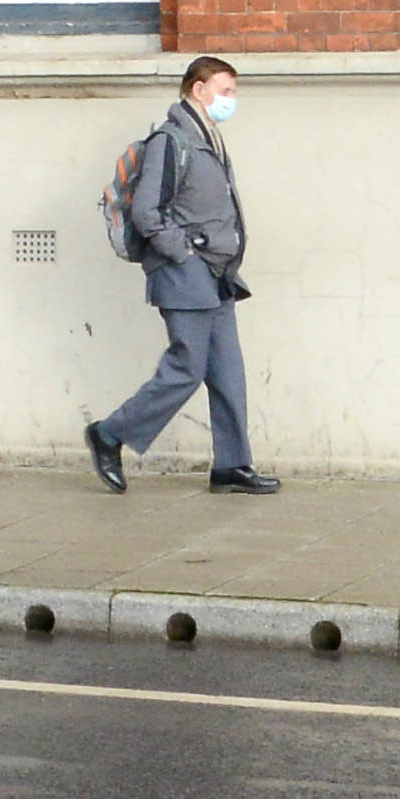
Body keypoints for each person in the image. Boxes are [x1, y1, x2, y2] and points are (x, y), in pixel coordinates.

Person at [85, 51, 275, 492]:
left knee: (228, 371)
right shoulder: (173, 141)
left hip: (219, 276)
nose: (232, 100)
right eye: (226, 91)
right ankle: (110, 433)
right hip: (186, 275)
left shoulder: (206, 137)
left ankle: (232, 465)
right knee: (187, 367)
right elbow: (149, 213)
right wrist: (184, 255)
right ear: (199, 90)